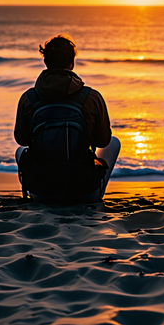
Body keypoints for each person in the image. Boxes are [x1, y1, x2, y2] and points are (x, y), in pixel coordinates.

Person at [14, 34, 120, 204]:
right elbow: (103, 141)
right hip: (83, 193)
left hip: (40, 193)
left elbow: (22, 139)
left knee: (20, 151)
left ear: (45, 62)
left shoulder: (29, 98)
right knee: (114, 142)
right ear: (72, 62)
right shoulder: (91, 97)